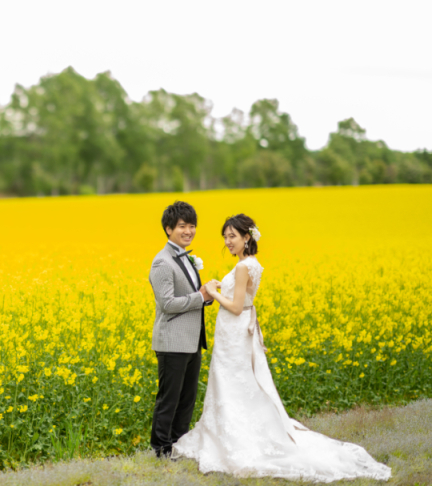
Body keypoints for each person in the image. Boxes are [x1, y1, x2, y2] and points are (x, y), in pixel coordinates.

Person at [172, 214, 391, 482]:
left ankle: (231, 437)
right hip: (239, 332)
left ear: (246, 237)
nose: (228, 241)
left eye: (233, 236)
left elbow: (237, 306)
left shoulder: (242, 268)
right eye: (225, 237)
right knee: (241, 383)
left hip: (235, 330)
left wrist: (213, 291)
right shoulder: (253, 264)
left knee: (232, 382)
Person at [148, 201, 214, 458]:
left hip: (191, 341)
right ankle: (161, 448)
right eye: (182, 226)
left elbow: (191, 295)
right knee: (169, 400)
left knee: (186, 400)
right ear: (168, 229)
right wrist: (200, 297)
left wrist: (206, 296)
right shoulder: (162, 262)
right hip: (172, 342)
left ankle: (179, 444)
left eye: (192, 226)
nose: (188, 231)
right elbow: (167, 304)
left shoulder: (186, 257)